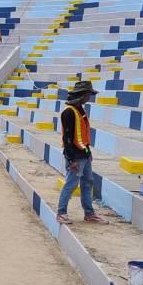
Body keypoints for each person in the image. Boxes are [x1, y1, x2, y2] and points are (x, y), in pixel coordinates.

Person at [57, 79, 105, 225]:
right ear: (82, 94)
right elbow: (67, 138)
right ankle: (61, 213)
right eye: (88, 95)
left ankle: (89, 214)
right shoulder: (69, 112)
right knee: (71, 184)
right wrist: (71, 159)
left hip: (84, 154)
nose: (89, 98)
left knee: (87, 183)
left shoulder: (80, 109)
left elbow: (83, 135)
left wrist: (88, 152)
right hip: (75, 156)